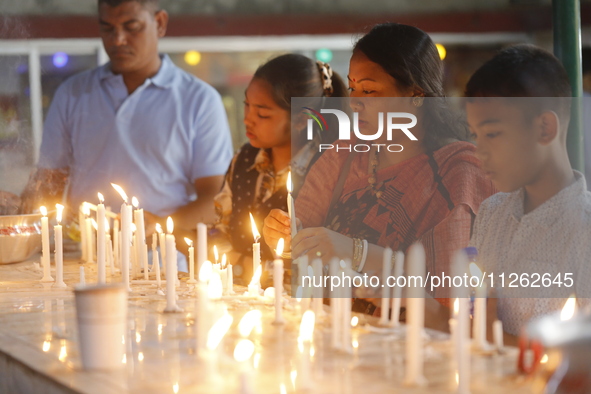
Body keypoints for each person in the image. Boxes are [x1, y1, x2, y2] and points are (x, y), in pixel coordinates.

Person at [263, 23, 496, 320]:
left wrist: (356, 251)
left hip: (406, 350)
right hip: (326, 336)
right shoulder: (343, 155)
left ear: (416, 95)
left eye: (370, 90)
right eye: (353, 87)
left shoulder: (459, 172)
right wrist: (283, 238)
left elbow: (447, 292)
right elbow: (302, 240)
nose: (355, 102)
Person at [21, 0, 233, 240]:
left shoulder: (198, 100)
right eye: (107, 28)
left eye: (132, 27)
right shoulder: (73, 93)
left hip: (163, 263)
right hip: (83, 258)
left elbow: (217, 199)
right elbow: (49, 183)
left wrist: (161, 225)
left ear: (160, 23)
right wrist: (21, 208)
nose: (118, 39)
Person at [465, 44, 591, 344]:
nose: (479, 151)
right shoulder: (491, 213)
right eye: (475, 135)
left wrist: (492, 341)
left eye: (492, 134)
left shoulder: (584, 231)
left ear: (545, 128)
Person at [212, 53, 348, 283]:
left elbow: (322, 260)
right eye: (246, 105)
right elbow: (220, 228)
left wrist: (244, 266)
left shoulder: (330, 168)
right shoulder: (245, 158)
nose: (247, 119)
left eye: (262, 113)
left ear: (301, 119)